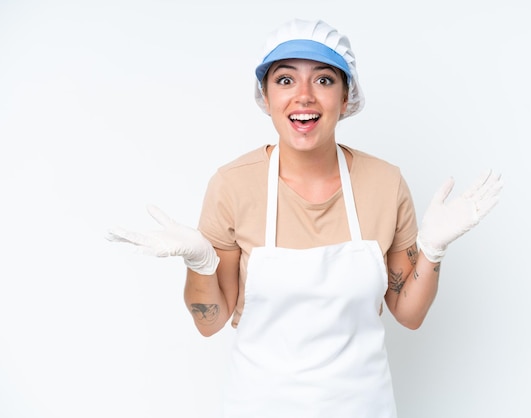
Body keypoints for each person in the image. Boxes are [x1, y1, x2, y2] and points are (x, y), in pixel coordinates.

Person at [107, 18, 503, 418]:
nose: (304, 96)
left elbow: (410, 314)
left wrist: (432, 251)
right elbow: (210, 323)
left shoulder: (385, 183)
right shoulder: (233, 185)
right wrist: (200, 263)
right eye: (285, 80)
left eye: (324, 80)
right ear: (265, 96)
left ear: (347, 97)